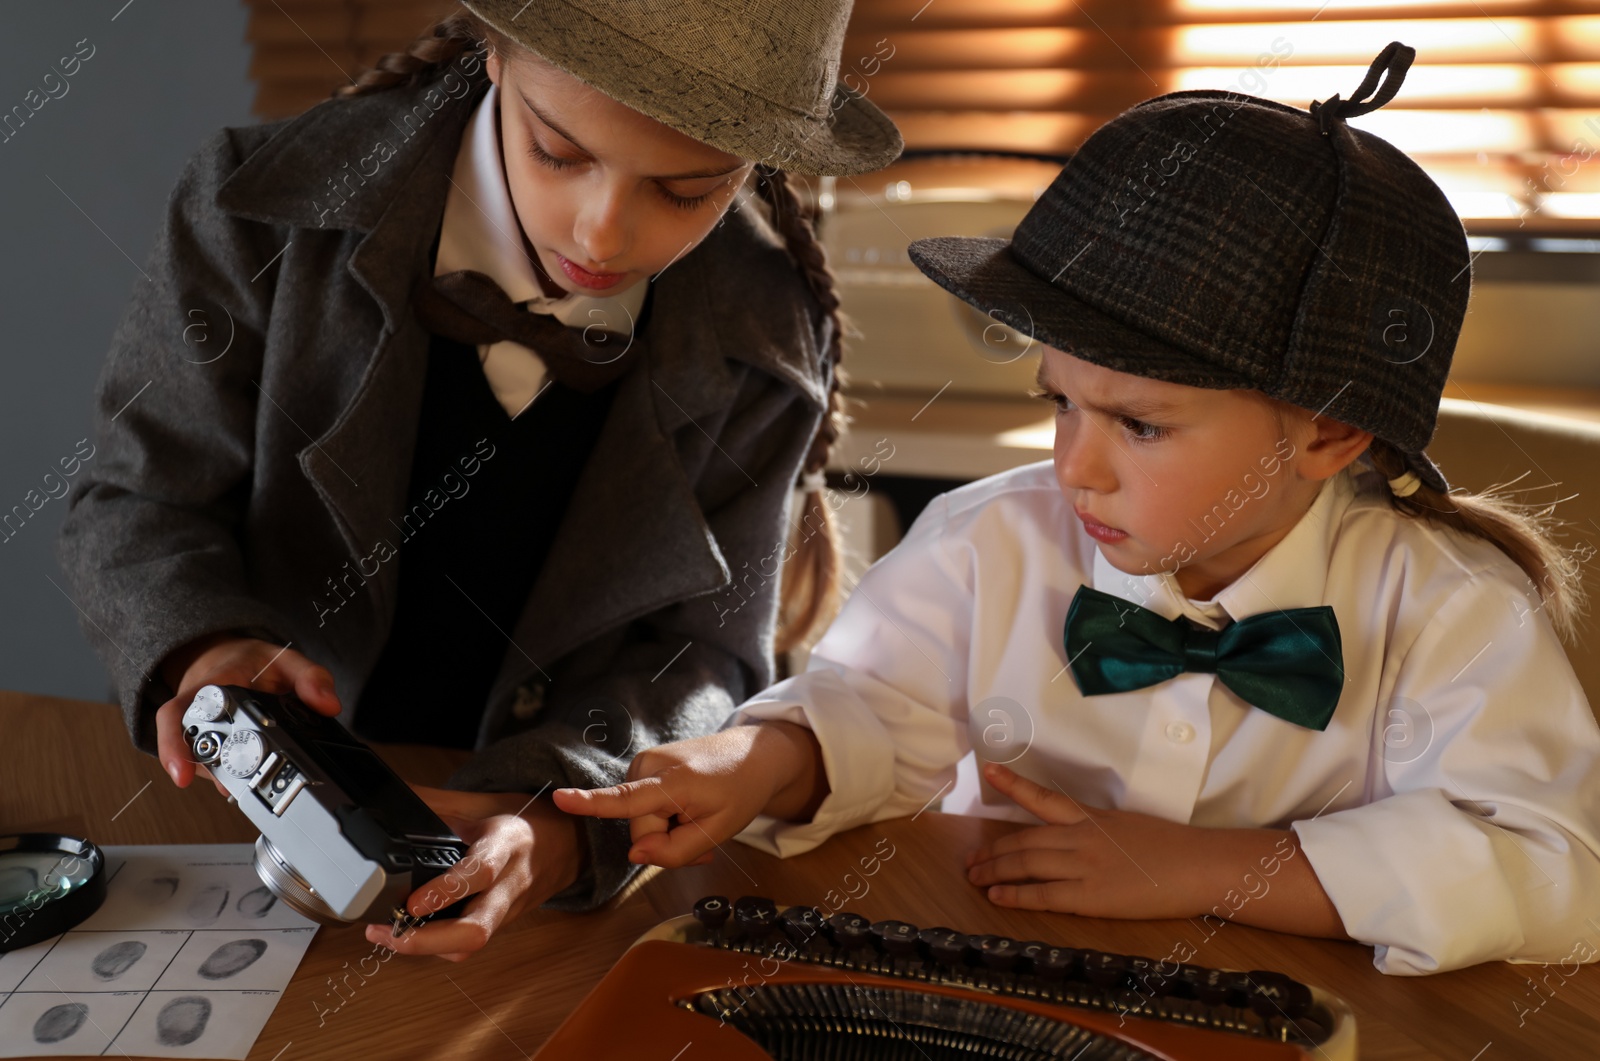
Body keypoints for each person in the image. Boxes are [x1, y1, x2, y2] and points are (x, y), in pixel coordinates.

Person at [555, 44, 1600, 975]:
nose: (1074, 469)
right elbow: (876, 705)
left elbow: (1556, 868)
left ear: (1328, 432)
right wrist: (754, 763)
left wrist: (1212, 868)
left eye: (1139, 424)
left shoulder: (1451, 604)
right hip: (990, 970)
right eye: (1060, 401)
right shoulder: (988, 542)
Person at [56, 0, 902, 960]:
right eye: (558, 151)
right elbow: (138, 505)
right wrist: (206, 644)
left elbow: (705, 661)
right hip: (245, 843)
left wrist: (558, 821)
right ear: (494, 52)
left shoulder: (768, 337)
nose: (603, 231)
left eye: (684, 192)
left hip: (542, 882)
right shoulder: (256, 206)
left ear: (755, 167)